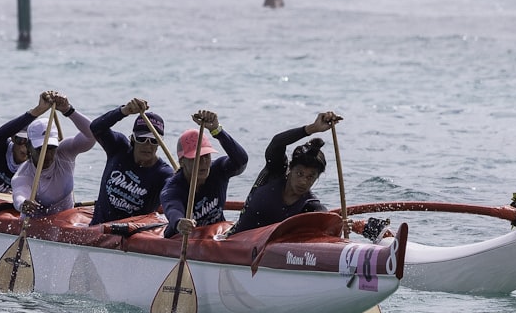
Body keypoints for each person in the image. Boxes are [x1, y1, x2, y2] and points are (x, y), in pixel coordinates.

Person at [229, 112, 340, 234]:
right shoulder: (275, 172)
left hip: (268, 251)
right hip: (234, 240)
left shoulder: (311, 207)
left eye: (310, 176)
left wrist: (339, 227)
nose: (303, 181)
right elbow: (277, 143)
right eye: (299, 174)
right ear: (291, 168)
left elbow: (329, 226)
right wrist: (312, 128)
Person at [161, 110, 248, 238]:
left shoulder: (218, 170)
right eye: (195, 158)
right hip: (181, 240)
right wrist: (180, 223)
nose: (203, 163)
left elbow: (241, 160)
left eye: (206, 156)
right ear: (182, 161)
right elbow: (173, 209)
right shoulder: (172, 188)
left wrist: (217, 131)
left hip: (216, 237)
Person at [89, 98, 174, 225]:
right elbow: (96, 127)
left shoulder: (164, 173)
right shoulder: (119, 148)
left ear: (160, 144)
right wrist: (124, 111)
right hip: (99, 228)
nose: (147, 145)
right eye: (142, 138)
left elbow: (175, 196)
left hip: (133, 237)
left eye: (154, 140)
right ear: (133, 138)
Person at [12, 94, 96, 216]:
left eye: (51, 147)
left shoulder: (65, 152)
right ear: (29, 147)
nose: (47, 154)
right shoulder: (23, 175)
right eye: (40, 149)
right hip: (36, 224)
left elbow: (92, 134)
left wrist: (68, 110)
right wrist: (24, 204)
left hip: (67, 219)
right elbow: (20, 194)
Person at [0, 90, 58, 200]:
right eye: (20, 140)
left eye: (29, 143)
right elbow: (2, 133)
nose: (24, 148)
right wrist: (37, 111)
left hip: (8, 211)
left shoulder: (37, 165)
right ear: (12, 138)